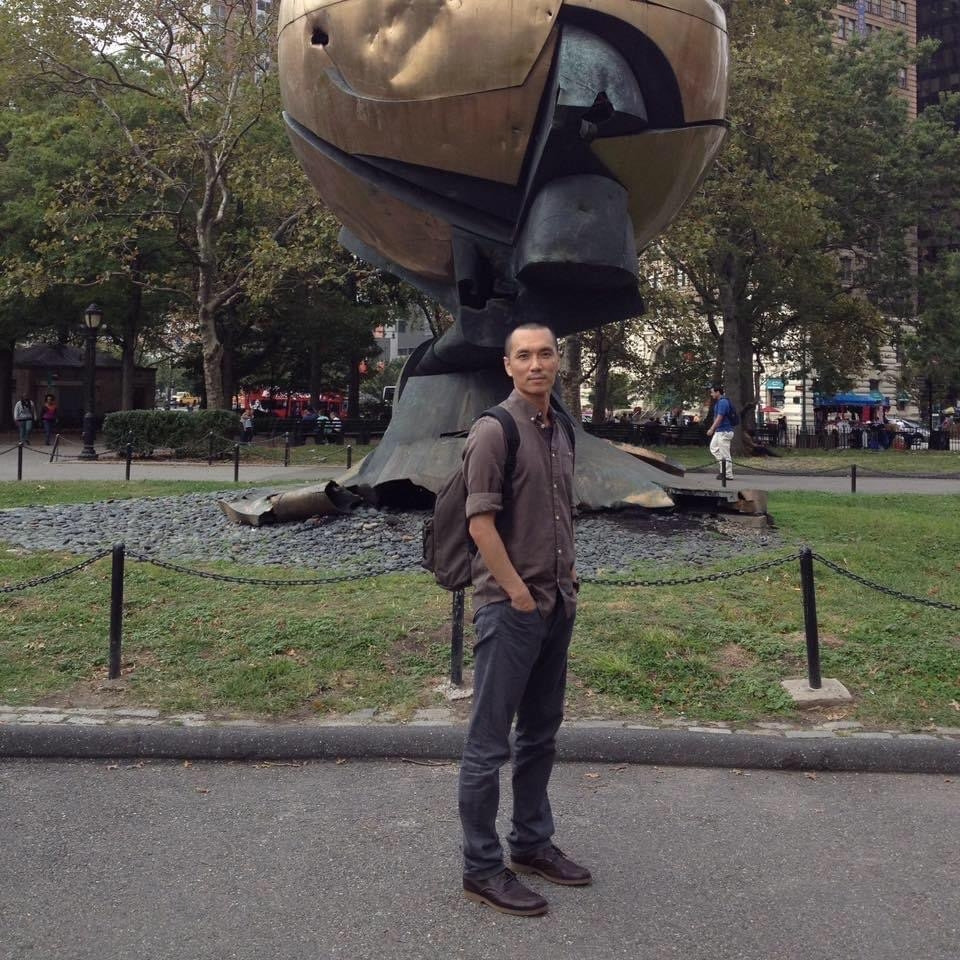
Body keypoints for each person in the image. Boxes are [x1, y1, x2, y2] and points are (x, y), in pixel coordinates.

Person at [459, 322, 589, 919]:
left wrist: (567, 582)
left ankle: (532, 843)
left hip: (557, 602)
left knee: (540, 734)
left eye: (545, 353)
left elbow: (561, 512)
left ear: (558, 360)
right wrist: (517, 595)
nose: (536, 364)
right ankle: (482, 868)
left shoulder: (560, 426)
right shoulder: (495, 430)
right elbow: (480, 523)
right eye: (524, 356)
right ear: (507, 366)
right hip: (511, 609)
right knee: (488, 745)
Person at [706, 383, 735, 479]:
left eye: (712, 392)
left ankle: (728, 474)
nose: (711, 394)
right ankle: (724, 468)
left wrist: (711, 429)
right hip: (720, 430)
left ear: (718, 392)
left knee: (725, 453)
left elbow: (719, 417)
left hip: (724, 431)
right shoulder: (719, 402)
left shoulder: (723, 402)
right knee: (713, 448)